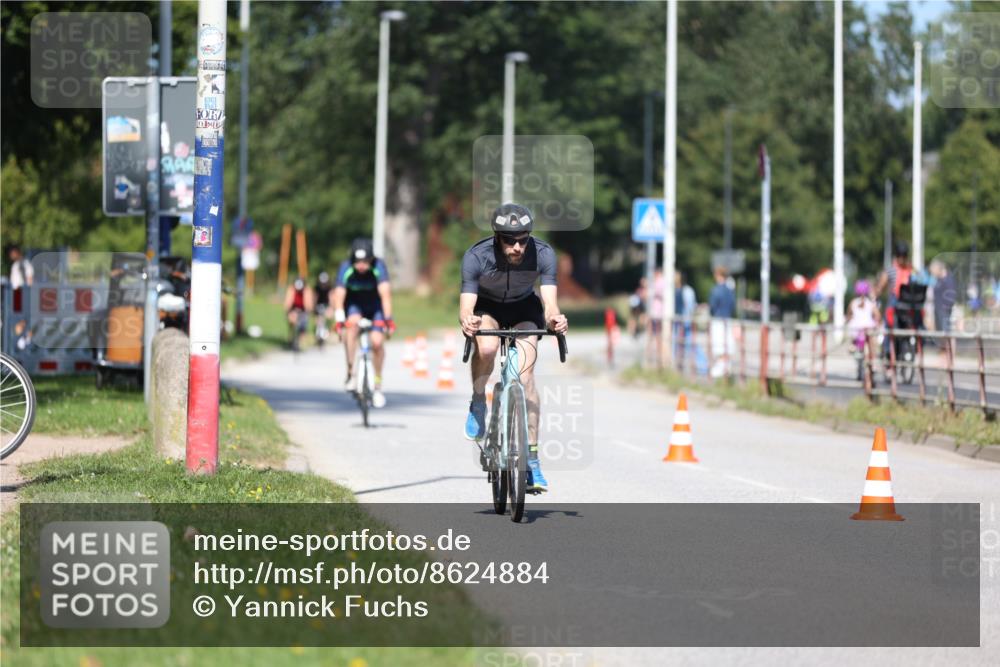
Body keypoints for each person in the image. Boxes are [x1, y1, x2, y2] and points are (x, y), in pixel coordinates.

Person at [459, 203, 568, 492]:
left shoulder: (543, 254)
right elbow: (467, 305)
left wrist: (555, 318)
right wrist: (468, 321)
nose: (518, 247)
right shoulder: (476, 256)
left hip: (524, 308)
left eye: (523, 239)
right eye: (510, 240)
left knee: (526, 377)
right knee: (487, 349)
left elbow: (550, 302)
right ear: (497, 237)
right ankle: (479, 399)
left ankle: (531, 459)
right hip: (489, 307)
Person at [332, 238, 394, 408]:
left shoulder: (379, 266)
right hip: (354, 306)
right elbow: (339, 296)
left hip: (375, 307)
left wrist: (388, 320)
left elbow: (385, 295)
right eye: (357, 262)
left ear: (371, 260)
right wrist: (339, 320)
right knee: (351, 328)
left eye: (365, 262)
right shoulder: (345, 267)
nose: (361, 265)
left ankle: (378, 384)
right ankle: (351, 373)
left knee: (377, 342)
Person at [708, 266, 736, 378]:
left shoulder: (716, 290)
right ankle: (726, 368)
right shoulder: (730, 290)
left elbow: (712, 307)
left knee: (718, 345)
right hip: (727, 319)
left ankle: (719, 370)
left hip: (718, 319)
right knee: (726, 345)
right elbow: (733, 306)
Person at [283, 276, 314, 351]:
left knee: (303, 324)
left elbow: (309, 304)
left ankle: (301, 340)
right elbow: (288, 302)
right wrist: (288, 311)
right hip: (293, 308)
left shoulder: (307, 290)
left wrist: (308, 311)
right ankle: (291, 337)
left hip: (303, 309)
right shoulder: (291, 289)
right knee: (292, 320)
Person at [673, 270, 697, 367]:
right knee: (679, 344)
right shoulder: (676, 290)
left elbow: (690, 307)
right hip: (679, 321)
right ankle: (680, 364)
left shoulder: (685, 291)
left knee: (685, 345)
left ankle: (686, 365)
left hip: (683, 321)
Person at [313, 271, 333, 345]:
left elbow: (331, 298)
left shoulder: (329, 288)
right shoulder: (316, 288)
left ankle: (328, 331)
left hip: (327, 305)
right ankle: (317, 335)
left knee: (329, 316)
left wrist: (331, 308)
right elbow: (315, 298)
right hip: (319, 305)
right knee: (318, 319)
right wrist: (314, 308)